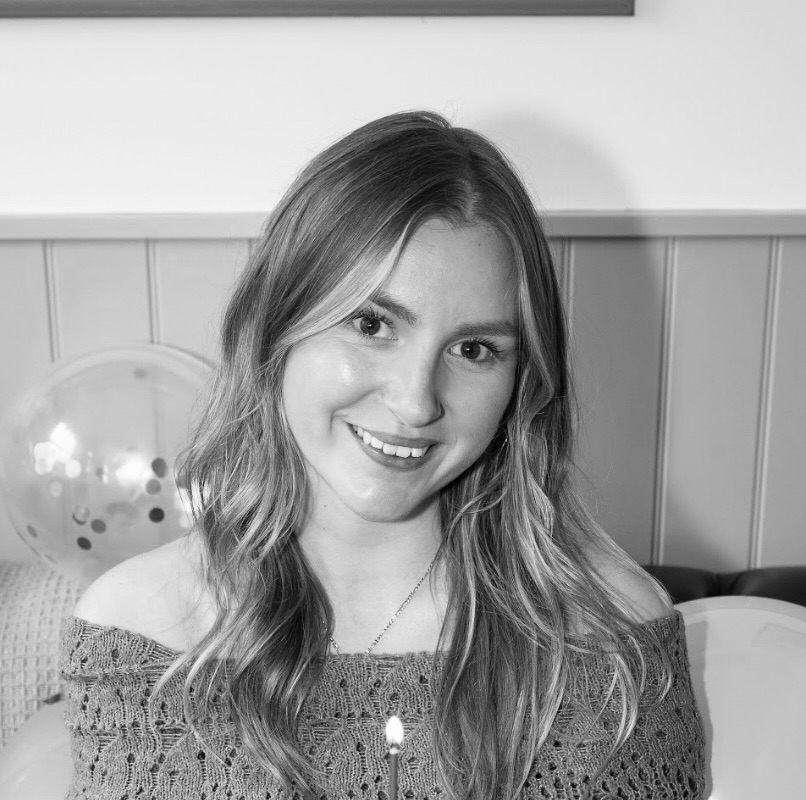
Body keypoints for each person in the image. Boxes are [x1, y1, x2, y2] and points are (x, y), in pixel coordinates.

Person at [61, 110, 706, 800]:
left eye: (474, 350)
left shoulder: (609, 639)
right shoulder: (139, 637)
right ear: (275, 325)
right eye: (372, 325)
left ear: (523, 382)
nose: (416, 401)